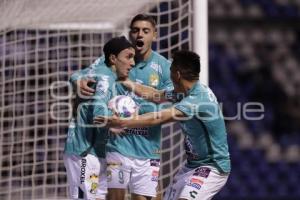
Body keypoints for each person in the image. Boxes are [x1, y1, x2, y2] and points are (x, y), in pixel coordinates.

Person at [94, 50, 231, 200]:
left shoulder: (197, 100)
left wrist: (122, 122)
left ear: (177, 74)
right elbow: (155, 95)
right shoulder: (183, 92)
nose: (169, 75)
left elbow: (157, 118)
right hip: (192, 166)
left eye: (171, 70)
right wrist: (127, 82)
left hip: (212, 166)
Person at [69, 14, 172, 200]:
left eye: (145, 31)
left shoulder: (164, 67)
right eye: (135, 30)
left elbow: (173, 95)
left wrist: (146, 94)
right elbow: (80, 74)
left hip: (147, 148)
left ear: (154, 35)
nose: (139, 34)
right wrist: (78, 81)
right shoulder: (112, 60)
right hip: (116, 146)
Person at [63, 36, 135, 200]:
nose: (132, 63)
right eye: (128, 57)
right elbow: (98, 113)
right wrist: (114, 124)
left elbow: (78, 74)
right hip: (84, 153)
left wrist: (75, 78)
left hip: (95, 152)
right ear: (113, 59)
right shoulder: (106, 78)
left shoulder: (102, 69)